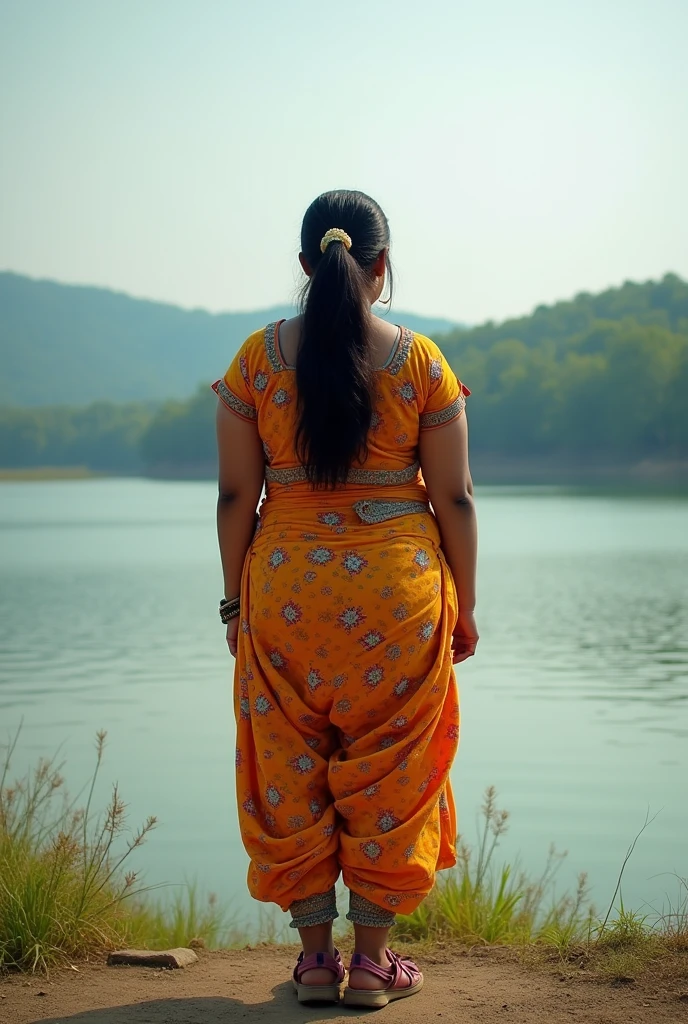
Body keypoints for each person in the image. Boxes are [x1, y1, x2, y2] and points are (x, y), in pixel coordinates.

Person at [212, 189, 478, 1008]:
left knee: (291, 765)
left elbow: (233, 498)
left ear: (305, 265)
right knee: (391, 770)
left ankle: (315, 963)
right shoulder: (422, 363)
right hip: (399, 593)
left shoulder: (256, 362)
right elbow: (456, 498)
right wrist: (464, 605)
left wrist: (233, 607)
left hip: (284, 586)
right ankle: (372, 965)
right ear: (383, 267)